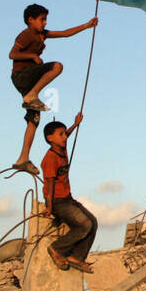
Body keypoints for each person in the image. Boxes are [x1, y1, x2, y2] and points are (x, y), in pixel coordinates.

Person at [9, 4, 98, 175]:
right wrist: (32, 56)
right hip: (22, 75)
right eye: (42, 19)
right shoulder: (27, 34)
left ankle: (23, 158)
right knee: (57, 66)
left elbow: (64, 33)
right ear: (30, 20)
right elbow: (12, 54)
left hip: (28, 80)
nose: (44, 22)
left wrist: (86, 26)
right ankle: (32, 94)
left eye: (45, 19)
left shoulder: (42, 35)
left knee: (33, 119)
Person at [40, 114, 96, 273]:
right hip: (58, 201)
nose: (65, 137)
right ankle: (56, 248)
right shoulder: (50, 159)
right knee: (85, 225)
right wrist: (50, 208)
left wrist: (75, 124)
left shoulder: (61, 148)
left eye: (65, 134)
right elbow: (49, 185)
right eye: (61, 134)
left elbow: (66, 136)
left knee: (94, 222)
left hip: (67, 198)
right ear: (50, 138)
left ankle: (77, 257)